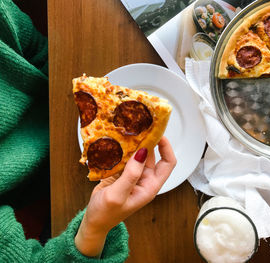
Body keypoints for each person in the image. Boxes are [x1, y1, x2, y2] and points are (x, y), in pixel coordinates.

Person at [0, 0, 177, 261]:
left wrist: (95, 105)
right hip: (46, 200)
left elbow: (36, 50)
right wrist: (94, 228)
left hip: (64, 112)